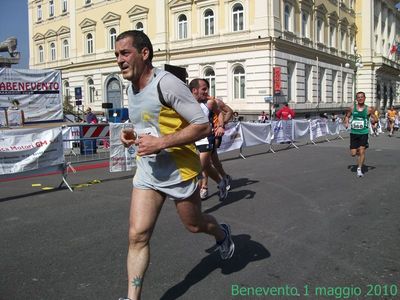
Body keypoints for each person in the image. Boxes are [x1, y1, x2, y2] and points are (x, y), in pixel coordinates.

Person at [115, 30, 234, 300]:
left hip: (179, 170)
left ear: (144, 53)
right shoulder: (130, 86)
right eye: (117, 55)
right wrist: (131, 134)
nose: (119, 60)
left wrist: (160, 143)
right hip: (148, 171)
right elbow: (148, 123)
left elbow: (202, 126)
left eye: (125, 53)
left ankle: (221, 233)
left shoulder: (166, 84)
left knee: (195, 225)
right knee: (137, 236)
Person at [189, 78, 229, 201]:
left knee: (199, 167)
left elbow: (220, 113)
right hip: (191, 138)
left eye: (207, 88)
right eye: (204, 89)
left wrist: (221, 126)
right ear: (194, 90)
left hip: (206, 137)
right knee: (206, 166)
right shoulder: (186, 102)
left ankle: (194, 191)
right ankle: (221, 182)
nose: (207, 91)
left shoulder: (210, 103)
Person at [344, 91, 377, 177]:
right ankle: (359, 152)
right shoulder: (352, 108)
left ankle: (359, 169)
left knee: (362, 151)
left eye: (362, 97)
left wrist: (374, 122)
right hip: (354, 133)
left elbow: (375, 118)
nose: (360, 98)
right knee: (353, 154)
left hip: (364, 133)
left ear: (365, 98)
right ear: (356, 99)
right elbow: (347, 116)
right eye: (358, 97)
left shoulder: (369, 109)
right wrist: (346, 122)